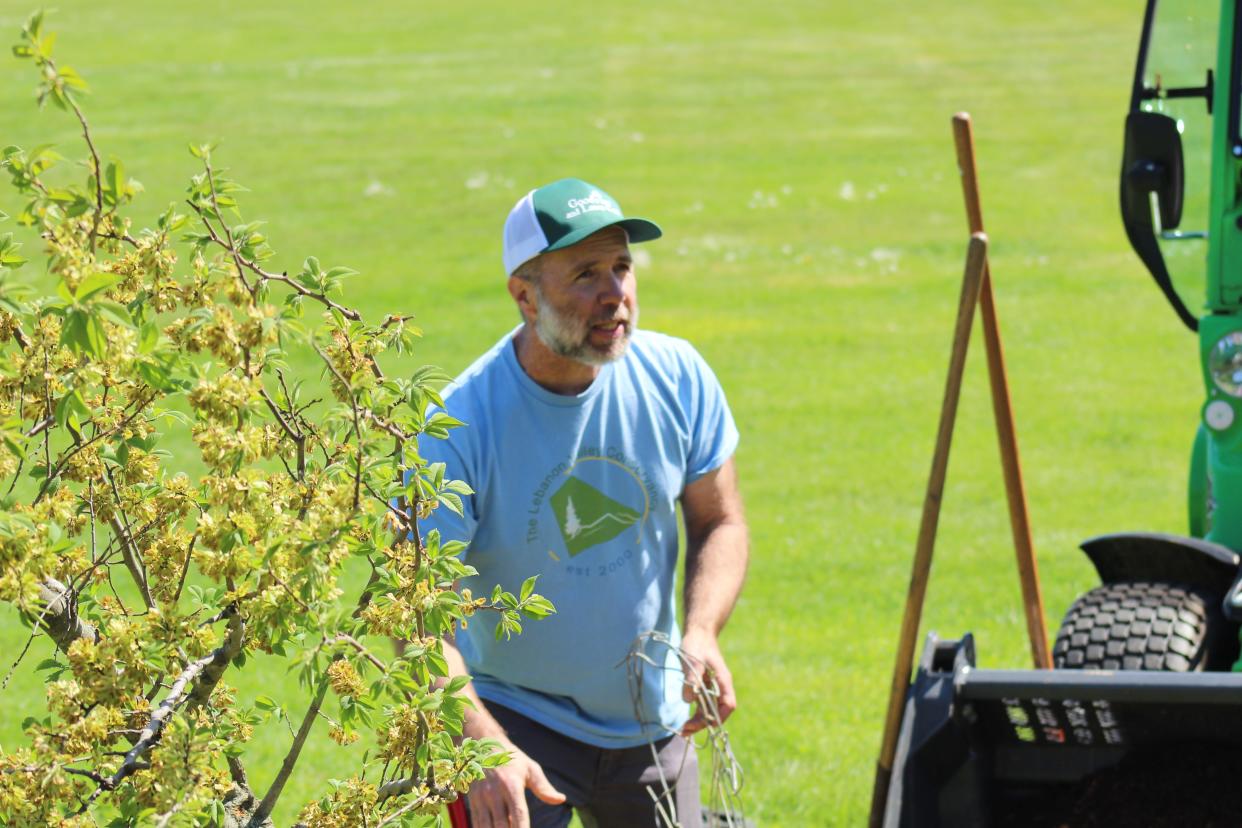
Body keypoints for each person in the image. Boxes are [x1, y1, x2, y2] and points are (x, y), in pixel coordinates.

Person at [421, 178, 748, 828]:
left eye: (622, 267)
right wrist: (480, 744)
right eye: (586, 274)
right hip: (515, 718)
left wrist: (702, 630)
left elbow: (721, 519)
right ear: (524, 295)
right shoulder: (457, 427)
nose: (615, 294)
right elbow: (418, 624)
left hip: (647, 717)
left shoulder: (678, 377)